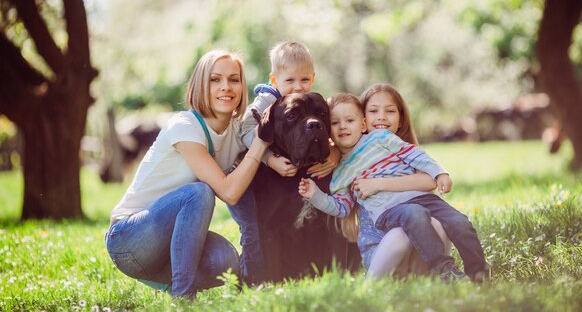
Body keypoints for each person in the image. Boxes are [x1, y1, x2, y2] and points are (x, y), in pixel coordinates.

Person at [105, 50, 270, 298]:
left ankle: (173, 280)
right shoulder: (184, 126)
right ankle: (183, 297)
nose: (226, 87)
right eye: (215, 79)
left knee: (226, 261)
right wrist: (260, 144)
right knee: (198, 193)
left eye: (234, 79)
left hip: (169, 245)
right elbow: (228, 193)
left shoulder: (237, 131)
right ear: (200, 85)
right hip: (128, 241)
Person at [299, 92, 490, 282]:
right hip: (389, 210)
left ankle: (479, 274)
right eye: (335, 123)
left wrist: (439, 172)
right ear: (328, 131)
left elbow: (413, 154)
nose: (343, 127)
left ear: (363, 124)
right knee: (415, 213)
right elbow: (341, 208)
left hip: (424, 198)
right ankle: (443, 269)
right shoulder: (341, 173)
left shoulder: (380, 138)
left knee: (459, 221)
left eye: (349, 120)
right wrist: (315, 194)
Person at [235, 41, 339, 284]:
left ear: (312, 79)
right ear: (274, 80)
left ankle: (335, 273)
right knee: (259, 231)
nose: (297, 87)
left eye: (304, 81)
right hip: (271, 162)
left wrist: (334, 154)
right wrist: (270, 160)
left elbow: (340, 126)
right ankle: (261, 280)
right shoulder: (265, 103)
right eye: (289, 81)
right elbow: (248, 131)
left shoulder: (313, 101)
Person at [354, 84, 451, 278]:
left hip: (417, 251)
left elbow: (430, 180)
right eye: (373, 111)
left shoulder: (407, 153)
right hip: (382, 251)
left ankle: (435, 276)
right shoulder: (355, 155)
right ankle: (370, 287)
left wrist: (378, 184)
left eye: (390, 111)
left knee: (440, 224)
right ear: (362, 121)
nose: (381, 116)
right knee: (400, 234)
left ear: (401, 120)